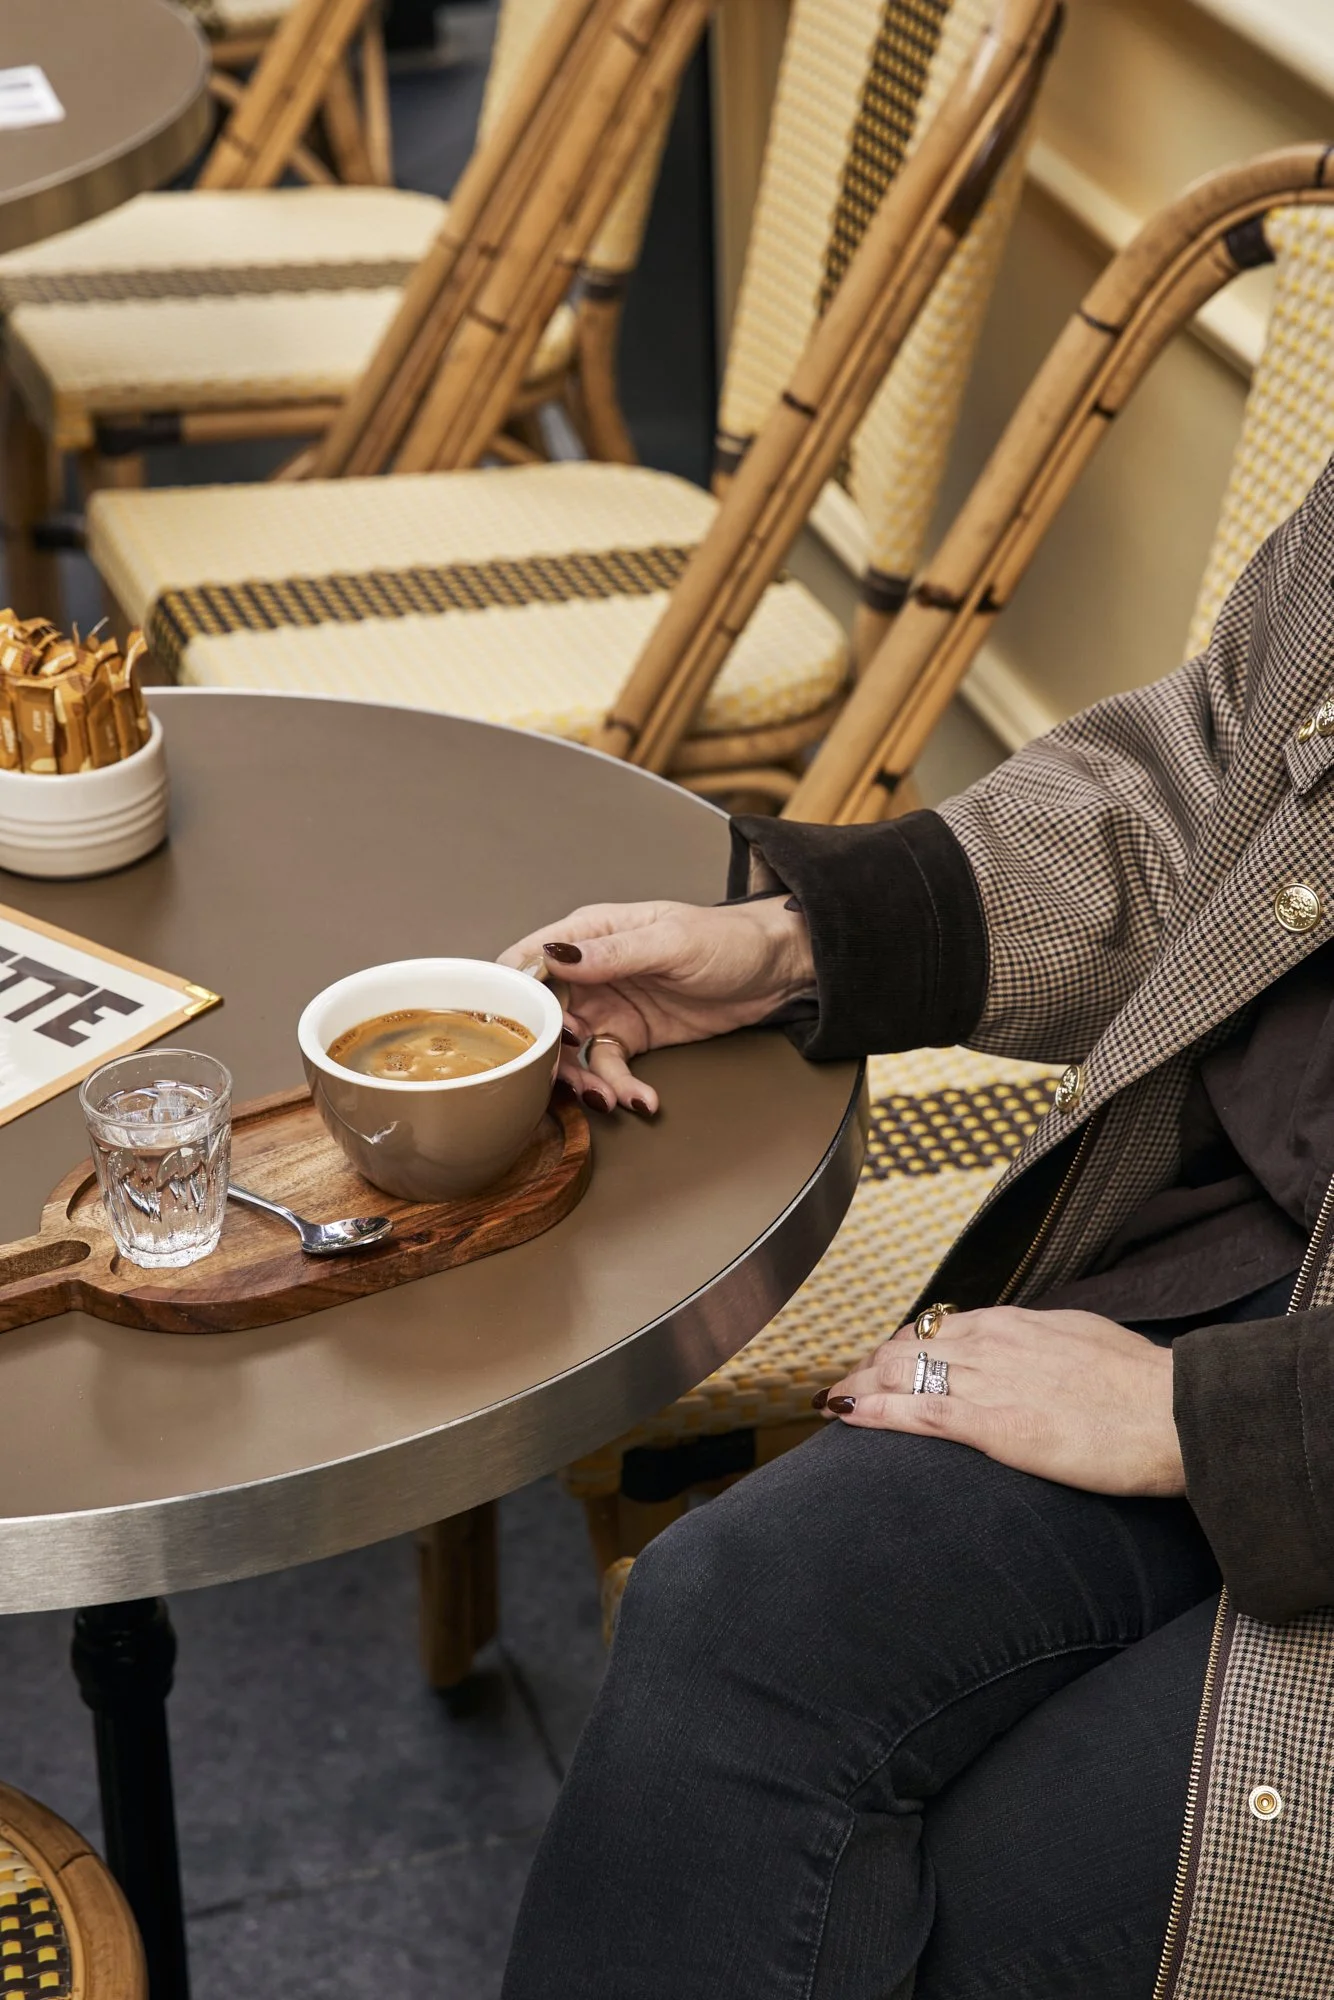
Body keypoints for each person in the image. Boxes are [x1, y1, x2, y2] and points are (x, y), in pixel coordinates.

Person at [497, 454, 1334, 2000]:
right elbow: (1207, 788)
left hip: (1268, 1404)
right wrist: (793, 940)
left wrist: (1209, 1423)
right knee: (731, 1615)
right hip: (1244, 1269)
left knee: (990, 1891)